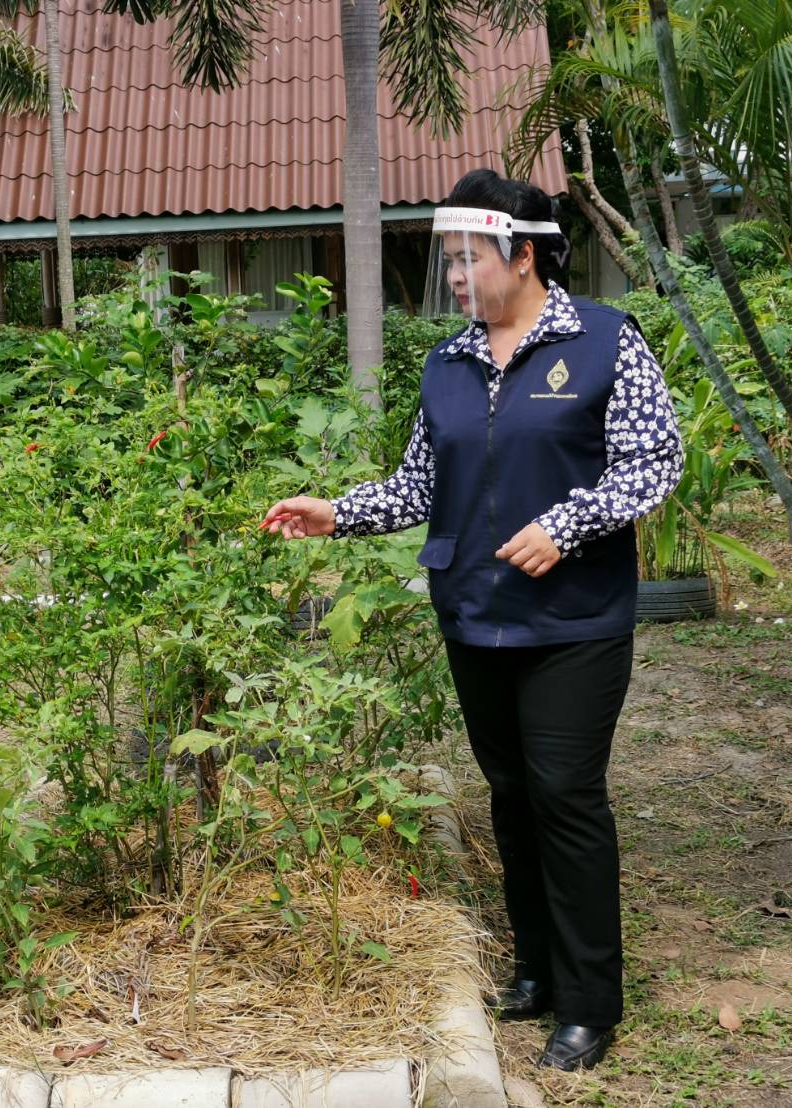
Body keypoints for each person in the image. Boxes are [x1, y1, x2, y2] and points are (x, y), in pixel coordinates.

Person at [262, 169, 682, 1072]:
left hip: (573, 622)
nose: (455, 275)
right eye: (446, 259)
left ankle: (587, 999)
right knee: (511, 795)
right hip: (475, 617)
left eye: (468, 257)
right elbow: (421, 482)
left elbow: (652, 460)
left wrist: (567, 525)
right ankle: (533, 966)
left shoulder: (605, 342)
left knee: (566, 793)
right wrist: (337, 510)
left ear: (523, 254)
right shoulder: (447, 363)